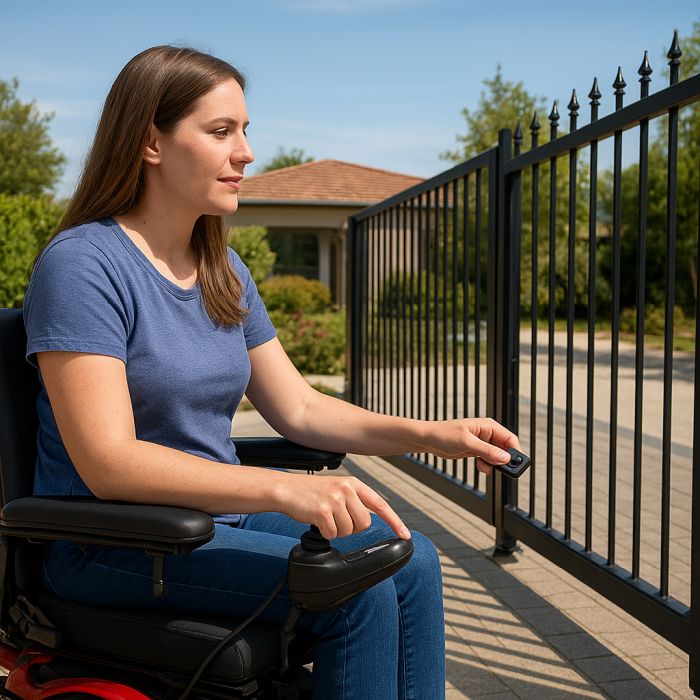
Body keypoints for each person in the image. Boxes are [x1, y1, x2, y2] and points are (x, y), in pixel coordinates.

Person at [23, 45, 521, 699]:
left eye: (245, 131)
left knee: (415, 559)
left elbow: (302, 410)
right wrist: (284, 490)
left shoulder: (223, 273)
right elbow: (107, 463)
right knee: (358, 590)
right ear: (151, 142)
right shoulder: (85, 265)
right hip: (111, 544)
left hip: (211, 520)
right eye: (222, 131)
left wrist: (435, 435)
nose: (247, 154)